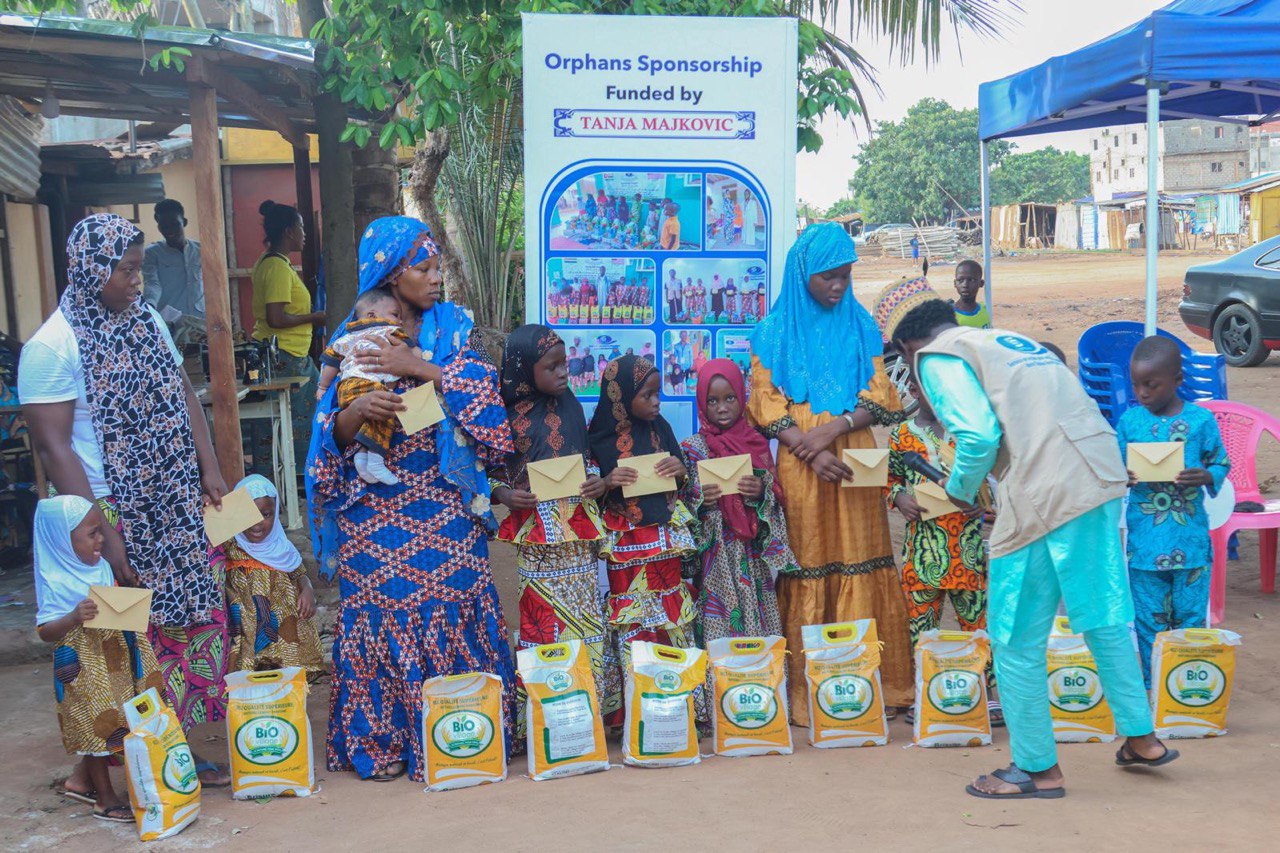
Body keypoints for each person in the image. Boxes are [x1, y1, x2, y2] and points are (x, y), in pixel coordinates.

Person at [875, 276, 1179, 800]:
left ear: (905, 344)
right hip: (1097, 474)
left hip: (1044, 489)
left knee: (1014, 635)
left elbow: (976, 436)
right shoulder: (1004, 340)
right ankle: (1141, 737)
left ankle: (1036, 768)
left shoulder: (939, 358)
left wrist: (960, 488)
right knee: (1104, 614)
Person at [20, 213, 232, 787]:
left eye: (138, 269)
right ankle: (104, 768)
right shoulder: (52, 347)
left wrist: (208, 467)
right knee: (120, 641)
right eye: (127, 270)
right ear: (93, 269)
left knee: (180, 630)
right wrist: (107, 537)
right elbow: (55, 447)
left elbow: (184, 392)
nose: (136, 281)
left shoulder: (145, 323)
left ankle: (171, 752)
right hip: (108, 508)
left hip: (172, 499)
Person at [307, 216, 516, 783]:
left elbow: (491, 418)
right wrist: (357, 413)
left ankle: (465, 733)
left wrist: (418, 367)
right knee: (381, 614)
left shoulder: (453, 328)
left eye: (437, 266)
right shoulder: (356, 332)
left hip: (446, 505)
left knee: (458, 601)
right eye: (423, 268)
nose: (435, 277)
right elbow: (328, 429)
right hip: (373, 511)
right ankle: (383, 742)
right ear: (391, 274)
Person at [747, 222, 913, 725]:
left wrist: (836, 427)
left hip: (854, 458)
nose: (837, 286)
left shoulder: (861, 324)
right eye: (827, 278)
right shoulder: (773, 331)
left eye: (844, 276)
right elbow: (765, 399)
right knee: (810, 560)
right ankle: (808, 692)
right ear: (802, 275)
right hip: (801, 469)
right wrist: (809, 448)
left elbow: (882, 395)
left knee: (863, 556)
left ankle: (875, 687)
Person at [491, 325, 619, 724]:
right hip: (536, 532)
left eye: (565, 363)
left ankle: (589, 716)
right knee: (542, 617)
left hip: (577, 530)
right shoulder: (503, 413)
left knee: (584, 616)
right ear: (526, 369)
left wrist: (597, 479)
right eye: (553, 366)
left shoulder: (572, 405)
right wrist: (504, 494)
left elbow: (586, 455)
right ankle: (543, 719)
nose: (564, 372)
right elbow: (490, 469)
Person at [35, 495, 163, 823]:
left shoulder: (101, 566)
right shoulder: (55, 580)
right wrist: (73, 617)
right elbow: (46, 631)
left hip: (113, 659)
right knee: (95, 728)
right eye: (91, 533)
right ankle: (105, 798)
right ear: (63, 540)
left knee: (119, 719)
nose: (101, 538)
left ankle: (103, 784)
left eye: (99, 532)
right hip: (80, 668)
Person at [887, 375, 1001, 726]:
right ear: (913, 390)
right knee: (921, 627)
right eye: (926, 388)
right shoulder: (901, 435)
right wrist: (899, 498)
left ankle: (988, 693)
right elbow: (891, 479)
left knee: (977, 623)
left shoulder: (968, 433)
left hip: (965, 548)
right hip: (922, 549)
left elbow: (988, 481)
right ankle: (928, 690)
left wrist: (982, 505)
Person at [1117, 337, 1230, 687]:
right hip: (1146, 548)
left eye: (1151, 385)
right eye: (1135, 385)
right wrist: (1123, 476)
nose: (1142, 393)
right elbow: (1113, 468)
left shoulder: (1200, 421)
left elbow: (1221, 461)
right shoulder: (1129, 422)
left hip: (1190, 543)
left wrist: (1208, 475)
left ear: (1178, 380)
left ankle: (1187, 687)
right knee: (1149, 621)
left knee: (1191, 619)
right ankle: (1155, 688)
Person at [587, 355, 698, 676]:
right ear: (620, 395)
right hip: (626, 541)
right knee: (632, 612)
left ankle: (675, 688)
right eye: (647, 395)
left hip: (664, 537)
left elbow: (681, 471)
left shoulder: (660, 428)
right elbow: (590, 488)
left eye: (658, 394)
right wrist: (608, 482)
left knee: (669, 605)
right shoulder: (597, 437)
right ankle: (638, 694)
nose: (656, 402)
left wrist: (680, 471)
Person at [679, 359, 790, 644]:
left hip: (751, 555)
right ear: (702, 404)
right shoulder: (692, 449)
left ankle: (762, 680)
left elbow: (776, 496)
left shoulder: (755, 442)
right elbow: (681, 506)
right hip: (714, 555)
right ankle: (721, 683)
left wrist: (760, 492)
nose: (722, 407)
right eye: (712, 401)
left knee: (757, 614)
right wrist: (701, 499)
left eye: (730, 398)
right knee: (718, 617)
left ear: (742, 395)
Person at [224, 475, 325, 675]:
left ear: (276, 513)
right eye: (249, 514)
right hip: (244, 626)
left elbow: (299, 573)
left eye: (266, 514)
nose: (257, 523)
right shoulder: (229, 546)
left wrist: (307, 590)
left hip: (281, 629)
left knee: (283, 675)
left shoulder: (281, 547)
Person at [251, 200, 325, 472]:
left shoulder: (272, 263)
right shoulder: (278, 268)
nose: (305, 234)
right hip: (284, 355)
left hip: (287, 353)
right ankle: (295, 474)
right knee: (310, 411)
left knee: (296, 414)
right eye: (301, 228)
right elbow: (276, 318)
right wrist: (315, 317)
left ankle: (288, 473)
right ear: (289, 231)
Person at [316, 287, 412, 485]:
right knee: (385, 409)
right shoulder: (389, 330)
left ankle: (361, 455)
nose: (399, 321)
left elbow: (331, 363)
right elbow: (414, 355)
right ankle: (376, 458)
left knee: (374, 415)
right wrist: (419, 362)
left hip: (347, 386)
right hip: (369, 386)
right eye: (396, 315)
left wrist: (323, 387)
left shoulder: (348, 335)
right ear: (372, 315)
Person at [141, 199, 204, 344]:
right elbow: (152, 283)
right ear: (158, 226)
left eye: (174, 224)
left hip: (202, 324)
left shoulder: (201, 251)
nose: (169, 230)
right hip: (172, 325)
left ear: (185, 222)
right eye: (164, 226)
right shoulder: (152, 254)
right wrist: (148, 308)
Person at [953, 260, 992, 329]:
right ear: (955, 283)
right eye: (960, 280)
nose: (965, 285)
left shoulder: (985, 308)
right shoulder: (950, 317)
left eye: (971, 280)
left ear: (981, 283)